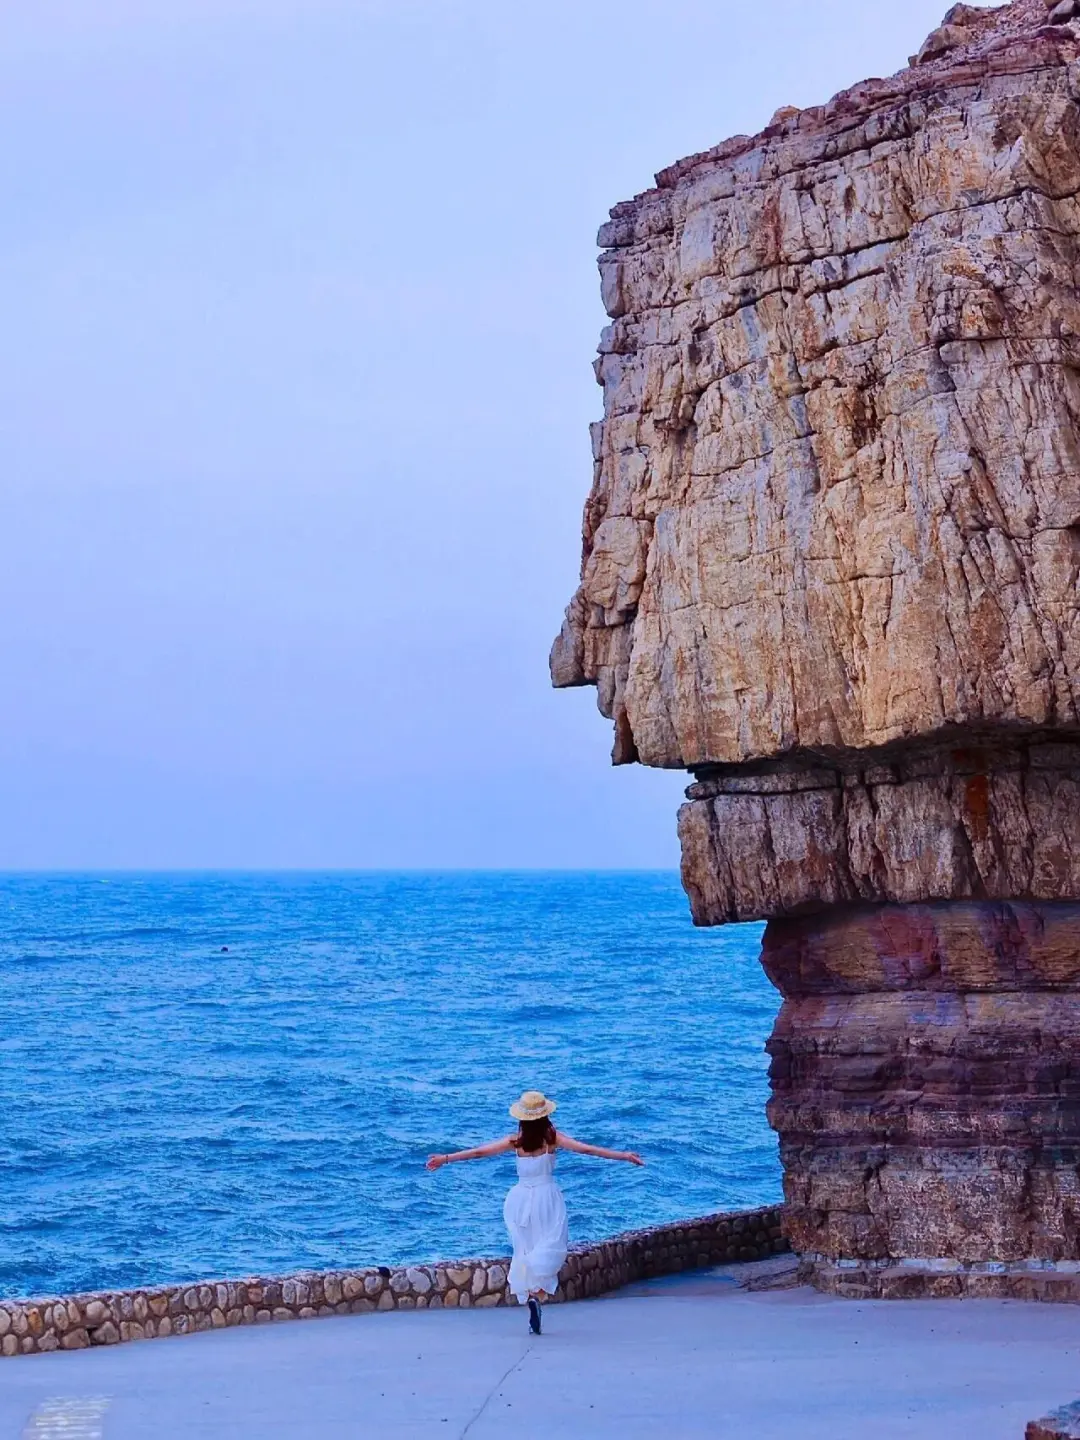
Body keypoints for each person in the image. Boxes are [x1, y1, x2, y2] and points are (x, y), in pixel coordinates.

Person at [425, 1090, 644, 1334]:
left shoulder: (515, 1142)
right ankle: (537, 1295)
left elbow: (479, 1152)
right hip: (547, 1198)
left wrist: (445, 1158)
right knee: (552, 1246)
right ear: (545, 1116)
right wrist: (623, 1156)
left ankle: (532, 1296)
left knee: (526, 1249)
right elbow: (587, 1150)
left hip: (520, 1201)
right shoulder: (552, 1139)